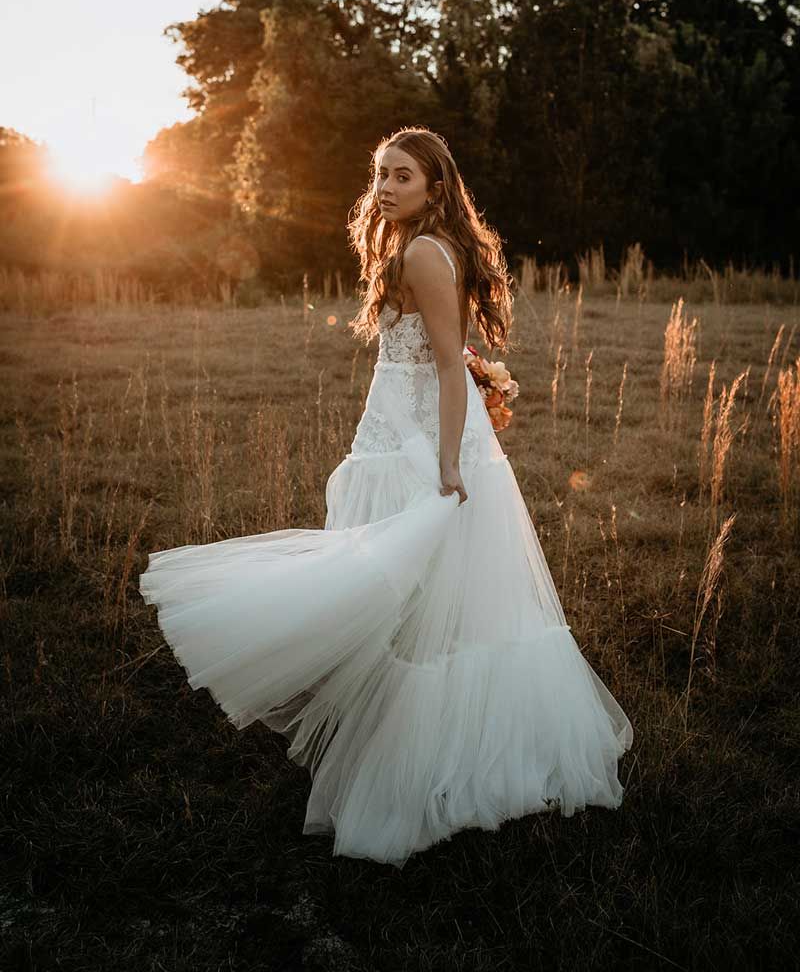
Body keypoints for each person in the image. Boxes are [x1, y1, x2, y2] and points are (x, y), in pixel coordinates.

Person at [139, 125, 633, 868]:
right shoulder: (419, 249)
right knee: (412, 602)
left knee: (419, 608)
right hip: (399, 435)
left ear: (437, 188)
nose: (386, 188)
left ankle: (423, 760)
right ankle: (400, 737)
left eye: (403, 177)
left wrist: (447, 459)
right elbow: (449, 350)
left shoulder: (425, 254)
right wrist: (472, 382)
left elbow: (441, 363)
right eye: (380, 175)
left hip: (419, 448)